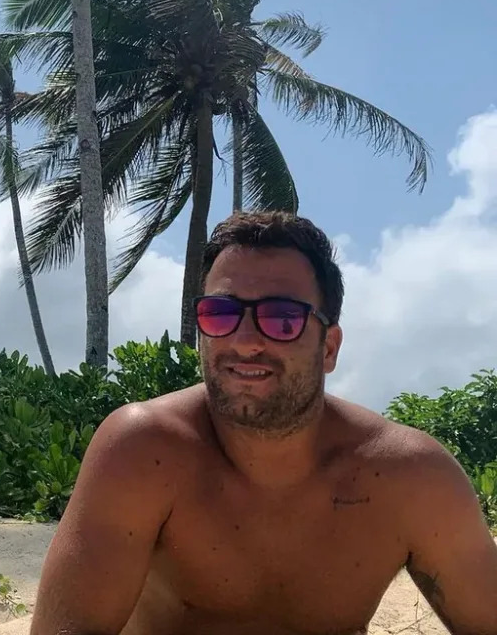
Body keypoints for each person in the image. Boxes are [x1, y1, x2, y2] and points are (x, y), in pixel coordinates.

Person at [30, 211, 497, 635]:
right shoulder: (144, 453)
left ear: (329, 347)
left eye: (282, 318)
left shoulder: (411, 478)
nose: (246, 340)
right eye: (221, 313)